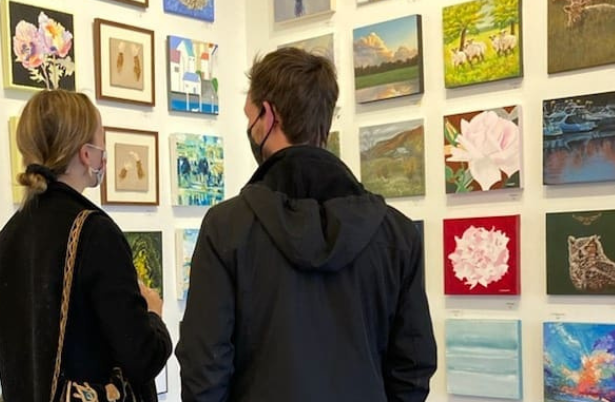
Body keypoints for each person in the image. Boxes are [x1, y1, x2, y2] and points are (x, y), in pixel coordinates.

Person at [176, 48, 437, 402]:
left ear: (267, 116)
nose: (250, 127)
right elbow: (412, 368)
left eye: (250, 116)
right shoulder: (397, 235)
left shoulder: (227, 228)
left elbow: (204, 368)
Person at [0, 89, 171, 402]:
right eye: (101, 139)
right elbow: (142, 357)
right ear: (87, 154)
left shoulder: (8, 238)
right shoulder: (94, 232)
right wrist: (154, 315)